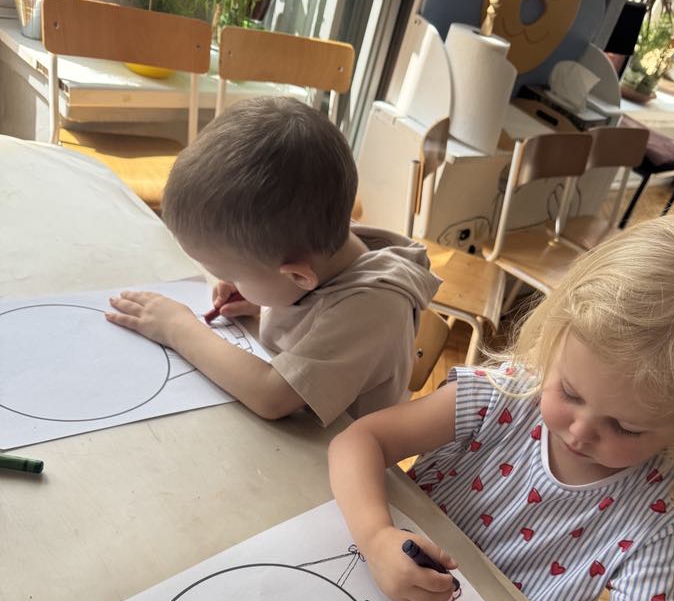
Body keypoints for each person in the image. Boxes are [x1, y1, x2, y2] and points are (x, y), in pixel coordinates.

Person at [329, 216, 674, 601]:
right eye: (570, 393)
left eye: (626, 428)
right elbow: (359, 441)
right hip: (371, 595)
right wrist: (375, 536)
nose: (580, 432)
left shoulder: (661, 516)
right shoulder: (506, 396)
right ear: (556, 340)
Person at [106, 97, 440, 426]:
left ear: (298, 277)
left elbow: (271, 395)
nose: (229, 283)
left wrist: (177, 327)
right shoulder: (319, 242)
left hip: (330, 453)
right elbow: (310, 302)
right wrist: (260, 299)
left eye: (233, 275)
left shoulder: (372, 311)